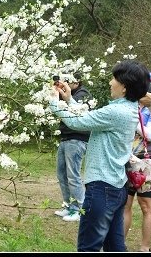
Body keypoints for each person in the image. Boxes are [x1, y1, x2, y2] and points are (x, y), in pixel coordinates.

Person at [49, 60, 150, 252]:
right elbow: (93, 117)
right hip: (116, 186)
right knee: (115, 246)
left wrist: (54, 102)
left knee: (89, 247)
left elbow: (78, 122)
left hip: (101, 188)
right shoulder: (128, 109)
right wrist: (70, 100)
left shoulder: (116, 111)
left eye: (114, 79)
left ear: (124, 87)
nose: (110, 83)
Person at [54, 72, 92, 222]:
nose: (65, 84)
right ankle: (68, 205)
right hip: (65, 138)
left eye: (68, 81)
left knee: (73, 175)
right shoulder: (69, 94)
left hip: (77, 139)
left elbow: (72, 111)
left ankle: (79, 209)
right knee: (61, 173)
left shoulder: (83, 95)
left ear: (77, 81)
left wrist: (65, 97)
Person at [123, 102, 151, 252]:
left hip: (146, 160)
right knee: (125, 203)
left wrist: (134, 117)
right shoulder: (130, 105)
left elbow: (150, 134)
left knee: (146, 205)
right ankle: (120, 245)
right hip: (127, 157)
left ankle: (145, 247)